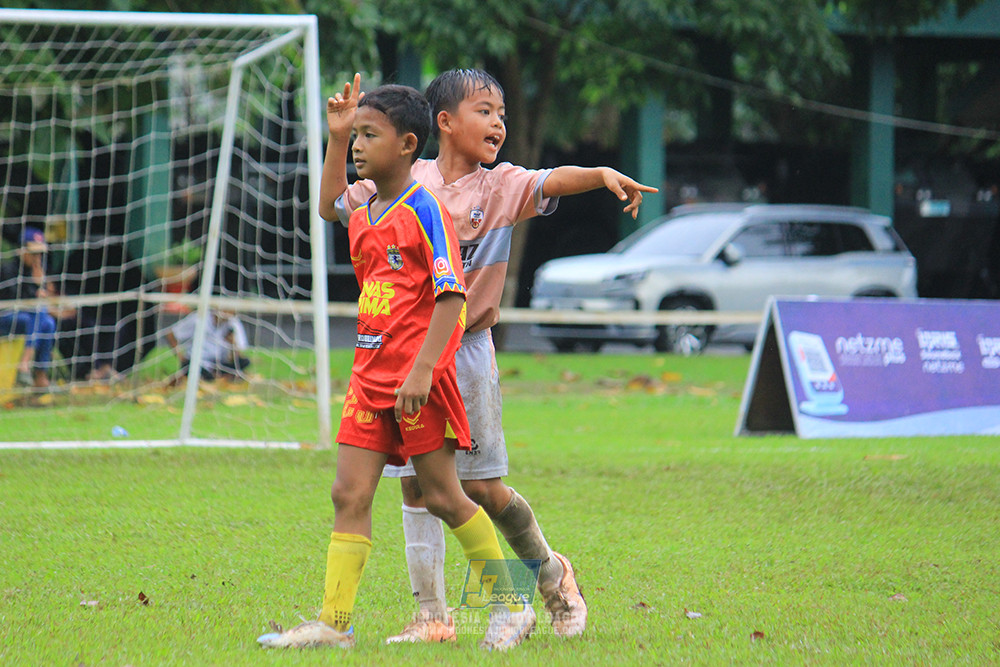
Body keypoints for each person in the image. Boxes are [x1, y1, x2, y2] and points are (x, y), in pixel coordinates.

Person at [320, 70, 658, 643]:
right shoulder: (404, 173)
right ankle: (431, 616)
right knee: (414, 486)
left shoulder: (499, 185)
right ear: (443, 122)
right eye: (486, 110)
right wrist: (336, 139)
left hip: (465, 351)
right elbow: (334, 205)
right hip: (404, 353)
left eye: (502, 112)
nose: (499, 122)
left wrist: (600, 174)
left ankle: (551, 577)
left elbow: (552, 181)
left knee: (478, 491)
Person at [259, 84, 534, 651]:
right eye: (355, 135)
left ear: (408, 144)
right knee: (347, 493)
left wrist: (423, 371)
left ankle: (511, 607)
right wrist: (335, 140)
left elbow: (452, 295)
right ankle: (335, 624)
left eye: (368, 135)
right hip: (368, 379)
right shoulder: (366, 209)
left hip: (415, 384)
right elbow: (327, 201)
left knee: (442, 497)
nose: (359, 146)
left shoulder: (424, 210)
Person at [0, 227, 56, 388]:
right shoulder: (7, 269)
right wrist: (35, 290)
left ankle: (40, 375)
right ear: (21, 250)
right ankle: (25, 363)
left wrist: (39, 283)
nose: (37, 257)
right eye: (33, 253)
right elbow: (14, 299)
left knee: (48, 323)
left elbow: (41, 301)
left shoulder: (37, 272)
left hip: (28, 319)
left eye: (39, 253)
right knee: (36, 314)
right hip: (5, 317)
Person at [164, 308, 250, 382]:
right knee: (196, 370)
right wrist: (181, 357)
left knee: (244, 362)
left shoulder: (233, 324)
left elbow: (236, 357)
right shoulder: (199, 318)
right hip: (197, 362)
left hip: (218, 364)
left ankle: (218, 376)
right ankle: (211, 377)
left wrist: (233, 344)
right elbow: (170, 334)